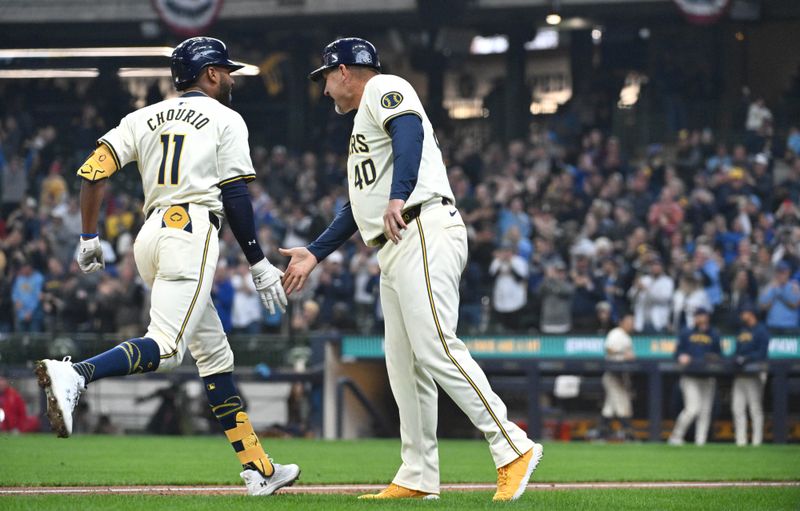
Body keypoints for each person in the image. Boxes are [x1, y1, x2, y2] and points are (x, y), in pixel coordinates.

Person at [32, 37, 299, 496]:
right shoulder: (226, 117)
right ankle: (75, 374)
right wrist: (257, 261)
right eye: (226, 71)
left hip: (150, 236)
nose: (231, 78)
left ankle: (260, 469)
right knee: (168, 347)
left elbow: (93, 171)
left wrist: (89, 236)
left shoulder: (142, 116)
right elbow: (235, 194)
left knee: (215, 355)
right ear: (211, 73)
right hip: (191, 230)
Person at [280, 38, 541, 502]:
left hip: (422, 225)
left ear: (344, 71)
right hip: (397, 239)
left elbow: (409, 133)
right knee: (404, 365)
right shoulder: (362, 120)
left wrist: (399, 193)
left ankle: (511, 445)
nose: (322, 90)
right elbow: (358, 206)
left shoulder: (385, 87)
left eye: (324, 78)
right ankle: (418, 473)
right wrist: (316, 252)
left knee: (435, 344)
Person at [668, 308, 721, 446]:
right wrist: (681, 356)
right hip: (690, 376)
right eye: (697, 316)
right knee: (692, 409)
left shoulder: (714, 334)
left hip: (708, 377)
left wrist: (715, 358)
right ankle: (676, 436)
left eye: (702, 316)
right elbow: (677, 353)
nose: (699, 318)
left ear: (707, 317)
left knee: (705, 412)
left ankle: (700, 442)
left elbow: (720, 355)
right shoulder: (687, 332)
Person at [731, 305, 770, 447]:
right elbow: (736, 351)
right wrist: (736, 358)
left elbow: (762, 353)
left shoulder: (761, 330)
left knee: (755, 408)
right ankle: (740, 441)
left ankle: (756, 441)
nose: (742, 315)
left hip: (755, 374)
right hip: (740, 375)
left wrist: (746, 358)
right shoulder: (742, 331)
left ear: (751, 313)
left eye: (744, 312)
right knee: (737, 408)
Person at [600, 314, 635, 440]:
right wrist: (624, 354)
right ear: (622, 322)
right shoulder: (616, 333)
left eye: (632, 323)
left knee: (610, 407)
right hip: (612, 375)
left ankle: (601, 434)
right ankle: (628, 435)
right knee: (622, 404)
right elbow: (609, 349)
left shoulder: (627, 337)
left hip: (621, 375)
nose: (631, 325)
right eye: (628, 322)